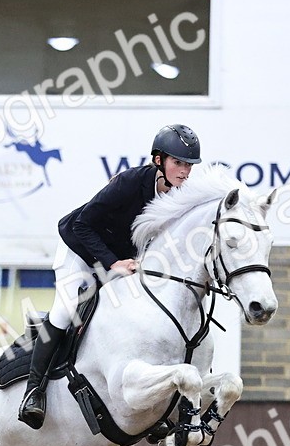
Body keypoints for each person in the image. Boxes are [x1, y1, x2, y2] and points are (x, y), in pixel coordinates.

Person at [18, 124, 202, 429]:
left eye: (188, 165)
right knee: (67, 311)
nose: (184, 171)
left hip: (120, 261)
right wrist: (112, 262)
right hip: (79, 251)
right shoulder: (130, 182)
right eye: (178, 163)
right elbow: (82, 225)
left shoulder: (180, 198)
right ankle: (33, 391)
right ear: (159, 160)